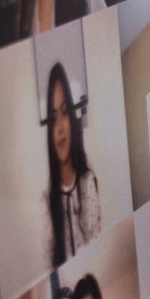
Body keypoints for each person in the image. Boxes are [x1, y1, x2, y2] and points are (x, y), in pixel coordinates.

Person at [41, 62, 102, 268]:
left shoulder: (87, 183)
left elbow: (96, 242)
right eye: (53, 117)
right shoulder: (46, 203)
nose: (59, 127)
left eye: (65, 112)